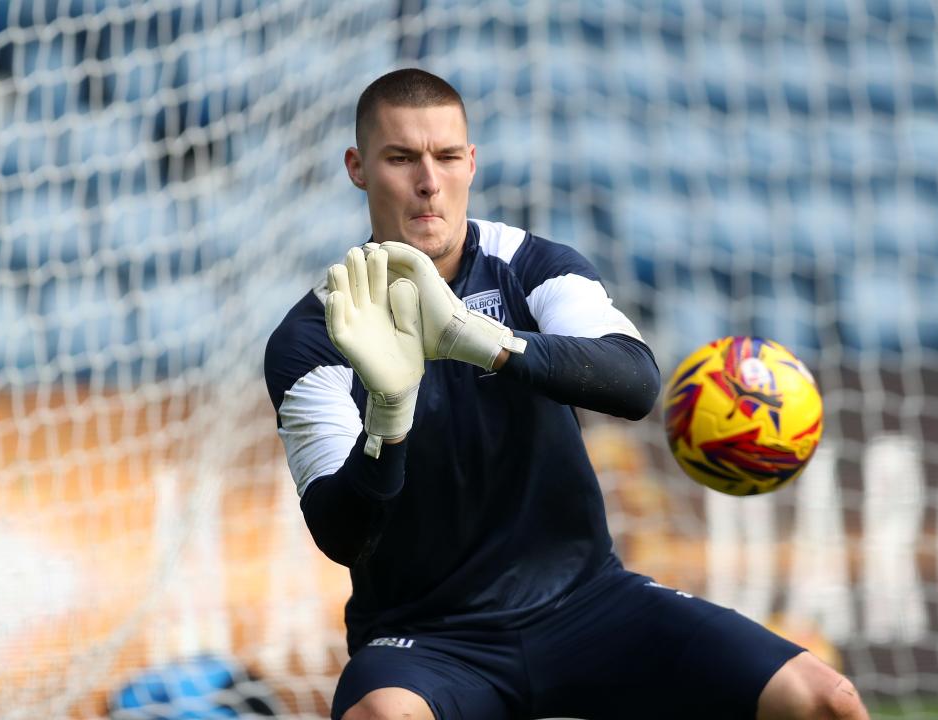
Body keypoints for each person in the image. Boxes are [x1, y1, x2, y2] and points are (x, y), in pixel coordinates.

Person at [264, 68, 868, 720]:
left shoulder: (531, 265)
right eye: (401, 158)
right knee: (382, 717)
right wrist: (388, 414)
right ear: (358, 167)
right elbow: (342, 534)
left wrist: (477, 338)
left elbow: (634, 382)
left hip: (586, 604)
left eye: (445, 157)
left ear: (471, 163)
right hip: (429, 637)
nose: (428, 182)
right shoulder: (317, 333)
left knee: (824, 700)